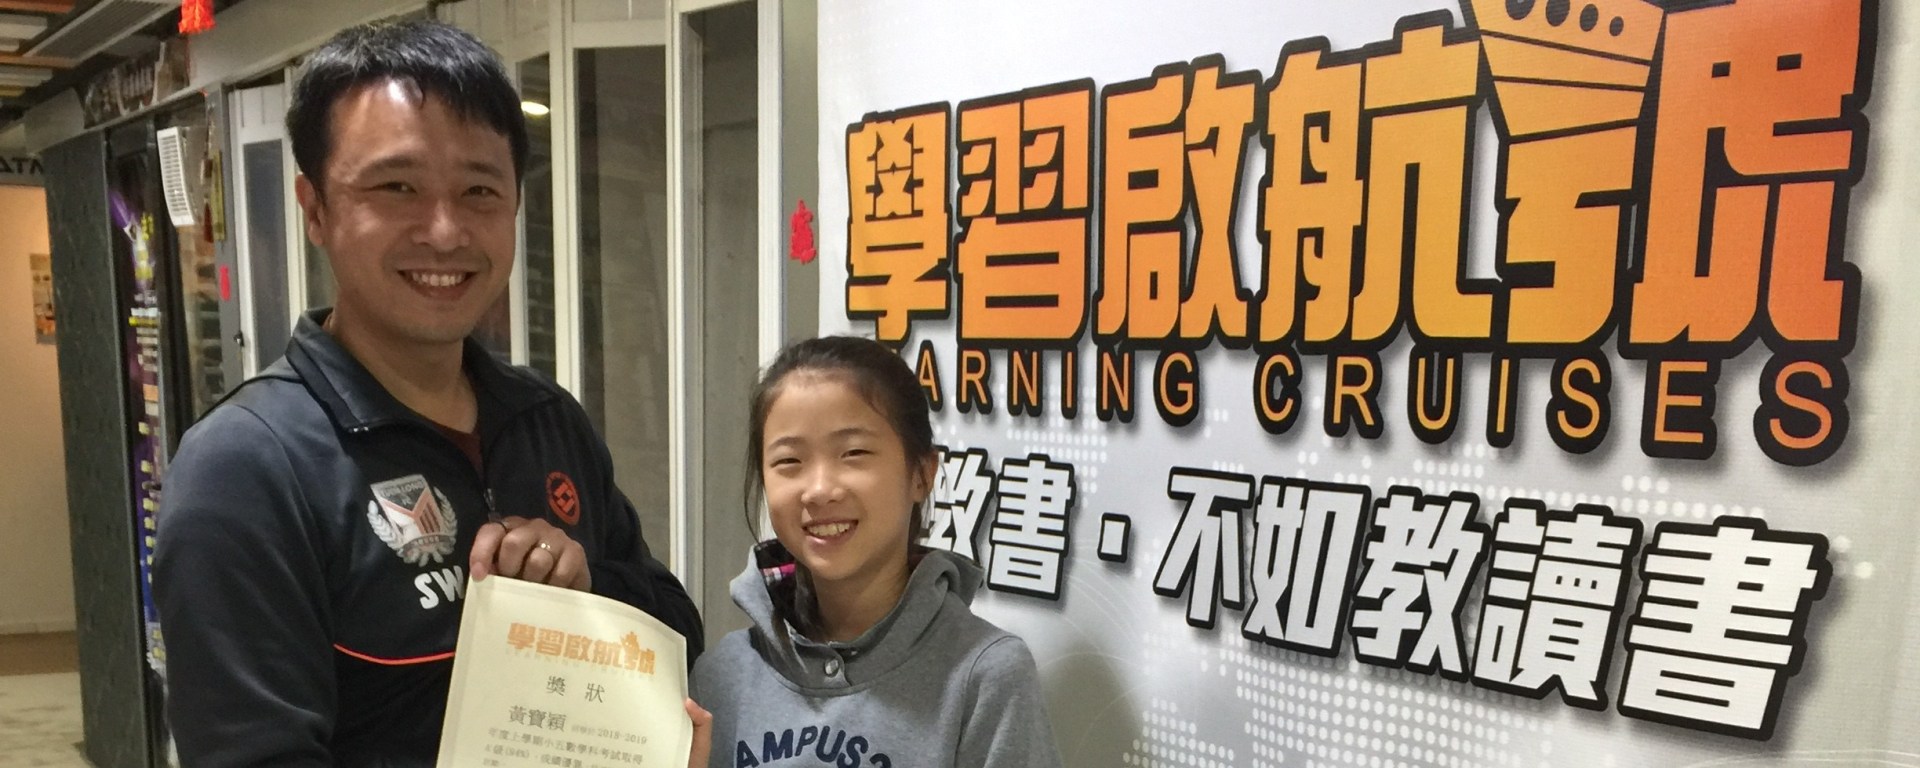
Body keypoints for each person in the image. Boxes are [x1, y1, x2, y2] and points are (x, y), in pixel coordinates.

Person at [153, 20, 704, 766]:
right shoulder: (248, 468)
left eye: (479, 190)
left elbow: (677, 637)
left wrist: (583, 585)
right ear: (315, 209)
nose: (445, 232)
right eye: (397, 187)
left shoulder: (546, 420)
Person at [690, 336, 1063, 768]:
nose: (819, 490)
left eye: (854, 453)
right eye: (789, 461)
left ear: (921, 474)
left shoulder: (984, 676)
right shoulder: (720, 676)